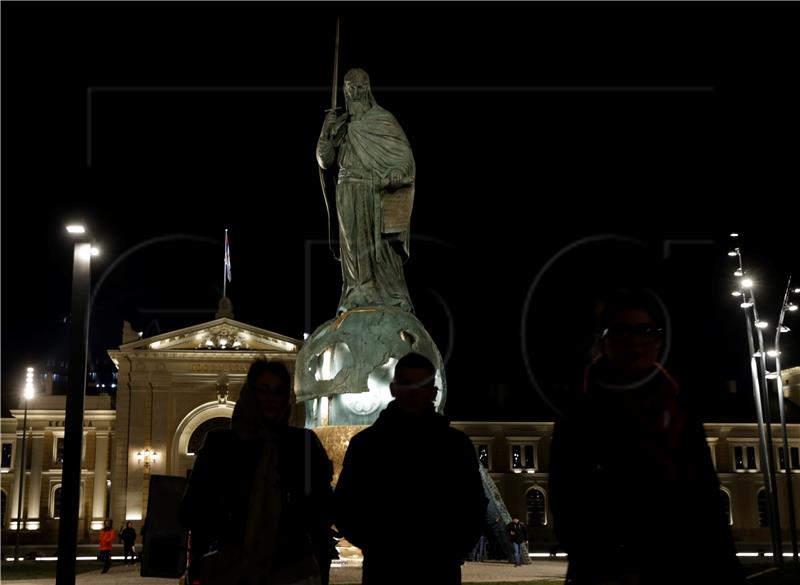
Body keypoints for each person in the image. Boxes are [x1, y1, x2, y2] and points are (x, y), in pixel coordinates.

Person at [549, 289, 745, 585]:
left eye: (646, 331)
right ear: (603, 341)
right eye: (622, 331)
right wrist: (609, 565)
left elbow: (707, 501)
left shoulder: (680, 410)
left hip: (685, 568)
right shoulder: (580, 415)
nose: (636, 341)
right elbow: (569, 505)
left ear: (658, 341)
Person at [335, 352, 487, 585]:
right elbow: (346, 506)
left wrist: (452, 549)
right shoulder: (366, 444)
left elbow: (473, 505)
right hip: (388, 567)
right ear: (393, 389)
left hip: (434, 567)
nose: (414, 391)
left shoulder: (457, 445)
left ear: (433, 392)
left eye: (422, 384)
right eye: (407, 383)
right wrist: (380, 546)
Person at [179, 359, 334, 585]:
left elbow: (323, 514)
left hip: (293, 571)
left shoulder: (303, 444)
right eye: (263, 390)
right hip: (229, 570)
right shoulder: (220, 446)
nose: (271, 398)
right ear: (250, 394)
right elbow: (191, 512)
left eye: (279, 391)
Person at [316, 67, 416, 314]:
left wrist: (394, 174)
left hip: (375, 192)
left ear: (369, 89)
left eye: (361, 87)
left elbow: (405, 159)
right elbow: (325, 160)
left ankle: (392, 293)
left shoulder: (383, 120)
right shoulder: (339, 125)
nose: (356, 93)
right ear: (345, 91)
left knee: (381, 248)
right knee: (352, 245)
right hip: (347, 190)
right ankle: (356, 292)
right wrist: (325, 133)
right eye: (351, 88)